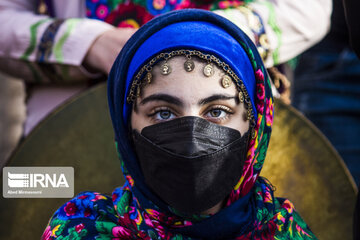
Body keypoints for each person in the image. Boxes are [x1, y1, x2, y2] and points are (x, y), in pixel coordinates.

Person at [42, 10, 316, 239]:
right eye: (163, 114)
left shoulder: (283, 232)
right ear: (127, 129)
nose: (192, 139)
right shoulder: (82, 230)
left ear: (255, 129)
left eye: (217, 111)